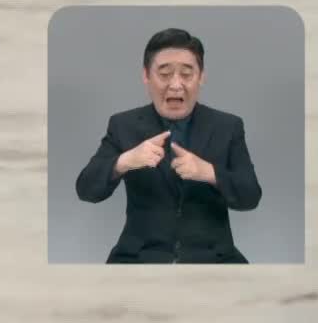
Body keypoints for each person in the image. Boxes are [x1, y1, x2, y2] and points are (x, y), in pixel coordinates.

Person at [74, 27, 262, 263]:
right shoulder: (123, 125)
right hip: (139, 257)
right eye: (164, 74)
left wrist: (209, 172)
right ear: (146, 76)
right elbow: (86, 190)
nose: (176, 85)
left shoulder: (228, 126)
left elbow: (251, 197)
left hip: (212, 257)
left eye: (186, 74)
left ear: (201, 76)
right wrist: (124, 161)